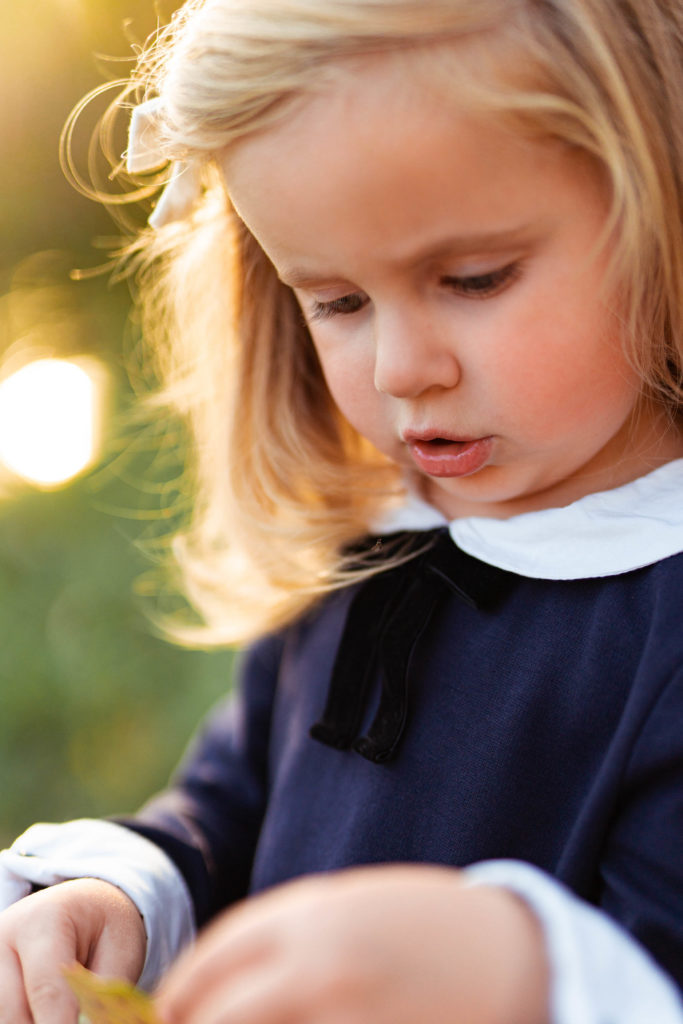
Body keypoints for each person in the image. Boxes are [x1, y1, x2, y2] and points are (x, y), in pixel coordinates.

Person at [2, 0, 683, 1021]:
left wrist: (517, 967)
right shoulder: (375, 543)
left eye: (472, 277)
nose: (403, 368)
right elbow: (229, 812)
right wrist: (126, 897)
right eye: (335, 300)